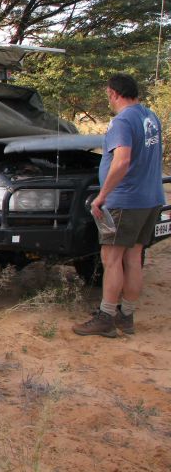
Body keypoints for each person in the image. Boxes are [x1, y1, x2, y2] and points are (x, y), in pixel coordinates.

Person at [73, 73, 165, 337]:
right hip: (151, 198)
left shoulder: (122, 121)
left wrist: (103, 195)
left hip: (125, 200)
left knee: (111, 259)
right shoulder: (150, 117)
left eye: (108, 95)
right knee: (133, 258)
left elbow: (122, 161)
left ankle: (106, 316)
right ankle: (126, 315)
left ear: (114, 93)